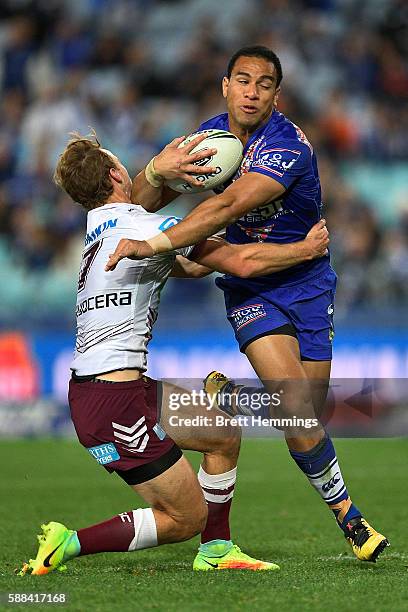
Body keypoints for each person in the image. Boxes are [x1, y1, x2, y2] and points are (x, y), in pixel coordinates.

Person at [106, 46, 389, 562]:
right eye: (242, 80)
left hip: (307, 282)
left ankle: (234, 398)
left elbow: (230, 203)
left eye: (263, 83)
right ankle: (352, 520)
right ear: (225, 86)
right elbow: (133, 206)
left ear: (276, 95)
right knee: (300, 416)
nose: (251, 91)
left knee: (308, 409)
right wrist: (157, 170)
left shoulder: (287, 145)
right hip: (253, 286)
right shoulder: (208, 142)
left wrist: (164, 243)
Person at [19, 132, 329, 576]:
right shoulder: (143, 227)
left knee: (222, 434)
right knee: (185, 517)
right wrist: (303, 249)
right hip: (112, 404)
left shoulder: (100, 227)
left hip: (120, 390)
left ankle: (217, 551)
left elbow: (187, 263)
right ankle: (67, 544)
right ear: (114, 175)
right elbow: (239, 264)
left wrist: (205, 211)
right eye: (120, 162)